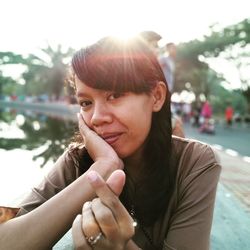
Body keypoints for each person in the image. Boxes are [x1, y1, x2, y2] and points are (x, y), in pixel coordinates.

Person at [0, 36, 221, 250]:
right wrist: (104, 166)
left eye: (114, 95)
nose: (96, 117)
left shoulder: (195, 163)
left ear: (156, 96)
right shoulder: (76, 160)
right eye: (86, 102)